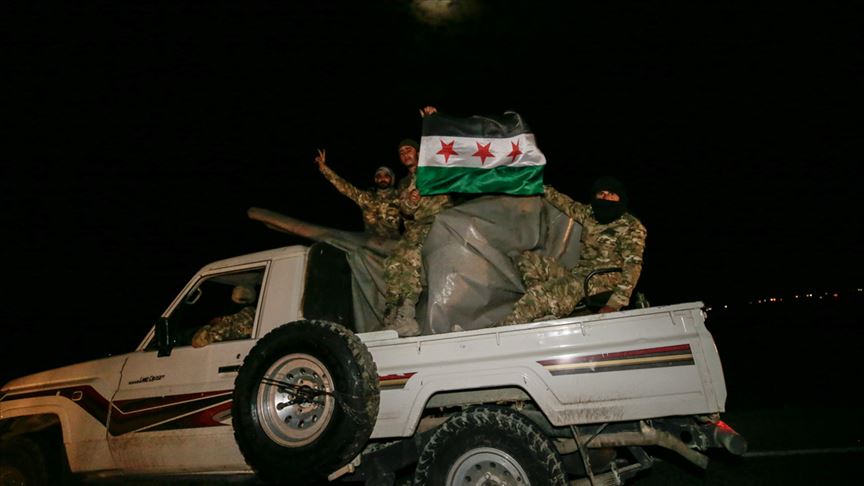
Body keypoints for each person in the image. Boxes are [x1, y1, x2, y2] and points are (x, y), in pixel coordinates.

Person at [499, 176, 647, 325]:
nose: (605, 198)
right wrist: (538, 185)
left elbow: (633, 267)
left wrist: (614, 304)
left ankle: (504, 330)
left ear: (620, 198)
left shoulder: (631, 226)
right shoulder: (590, 213)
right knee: (528, 260)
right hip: (580, 275)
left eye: (611, 194)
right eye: (601, 194)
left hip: (601, 283)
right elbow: (565, 203)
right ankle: (545, 307)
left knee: (539, 295)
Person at [381, 107, 453, 336]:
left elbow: (443, 148)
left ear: (419, 151)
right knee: (394, 262)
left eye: (409, 150)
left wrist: (432, 121)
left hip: (438, 220)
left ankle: (408, 314)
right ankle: (393, 310)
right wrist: (411, 202)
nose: (404, 154)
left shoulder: (432, 168)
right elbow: (404, 210)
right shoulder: (404, 183)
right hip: (416, 226)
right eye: (401, 152)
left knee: (412, 256)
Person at [314, 149, 403, 240]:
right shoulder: (366, 197)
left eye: (386, 176)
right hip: (370, 243)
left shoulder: (400, 197)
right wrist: (324, 168)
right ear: (376, 180)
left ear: (392, 179)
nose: (382, 178)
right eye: (379, 176)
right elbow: (344, 186)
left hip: (393, 243)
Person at [191, 285, 257, 347]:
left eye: (234, 294)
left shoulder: (229, 323)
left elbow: (199, 342)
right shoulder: (252, 311)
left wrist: (210, 325)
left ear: (242, 300)